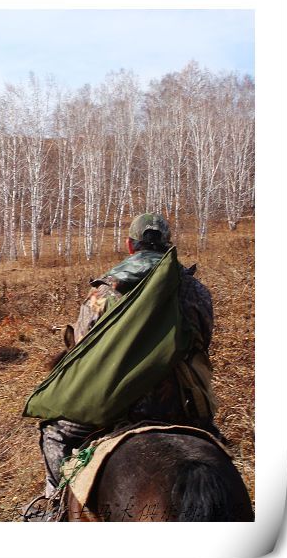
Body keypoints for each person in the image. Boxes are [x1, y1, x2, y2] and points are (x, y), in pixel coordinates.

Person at [35, 213, 217, 510]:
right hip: (182, 402)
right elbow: (203, 340)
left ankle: (55, 505)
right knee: (214, 443)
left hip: (117, 403)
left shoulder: (104, 291)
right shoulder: (195, 289)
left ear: (130, 246)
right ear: (168, 245)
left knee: (54, 434)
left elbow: (82, 348)